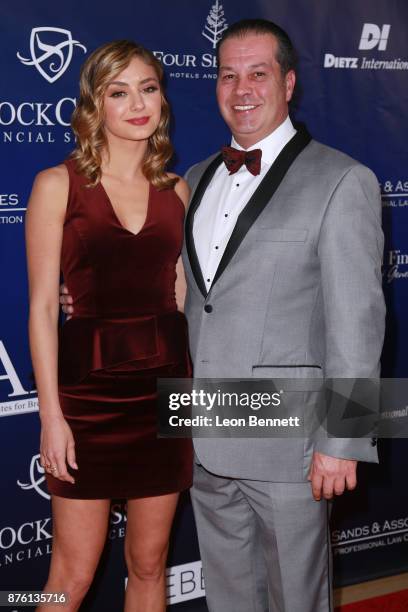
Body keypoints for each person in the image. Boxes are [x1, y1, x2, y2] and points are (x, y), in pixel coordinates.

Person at [61, 19, 385, 612]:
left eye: (258, 74)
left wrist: (344, 437)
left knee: (296, 600)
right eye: (229, 75)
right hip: (200, 433)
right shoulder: (195, 178)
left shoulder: (342, 180)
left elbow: (359, 323)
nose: (243, 89)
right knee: (231, 598)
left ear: (288, 83)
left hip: (289, 443)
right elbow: (179, 291)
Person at [26, 40, 192, 612]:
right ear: (95, 104)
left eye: (149, 88)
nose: (138, 103)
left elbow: (181, 295)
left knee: (149, 564)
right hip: (87, 399)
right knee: (69, 577)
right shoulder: (57, 185)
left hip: (167, 396)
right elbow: (44, 307)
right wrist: (52, 417)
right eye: (119, 92)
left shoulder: (177, 191)